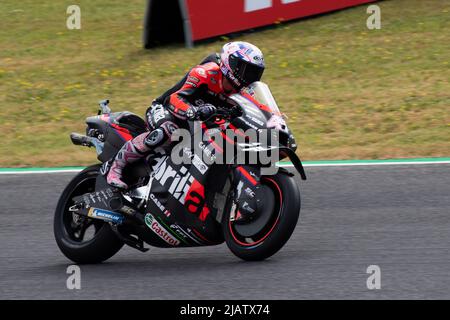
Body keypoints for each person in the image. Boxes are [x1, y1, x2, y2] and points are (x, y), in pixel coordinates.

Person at [106, 41, 266, 221]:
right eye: (248, 71)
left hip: (199, 123)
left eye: (255, 73)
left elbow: (258, 109)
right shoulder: (206, 73)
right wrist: (192, 111)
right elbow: (175, 98)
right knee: (168, 131)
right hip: (166, 109)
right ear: (232, 65)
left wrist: (272, 117)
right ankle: (116, 166)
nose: (251, 78)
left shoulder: (242, 93)